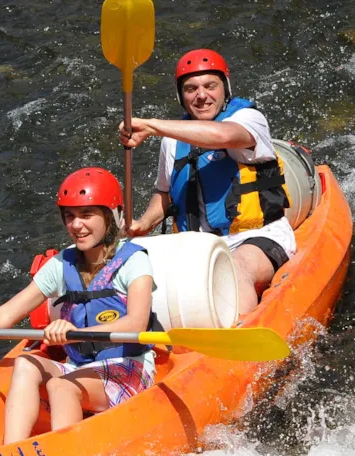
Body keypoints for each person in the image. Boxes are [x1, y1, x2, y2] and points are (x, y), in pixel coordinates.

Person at [0, 168, 157, 445]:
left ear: (111, 216)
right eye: (69, 216)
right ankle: (13, 453)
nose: (76, 225)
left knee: (61, 386)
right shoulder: (61, 264)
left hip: (126, 368)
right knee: (25, 362)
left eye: (86, 215)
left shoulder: (133, 261)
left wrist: (76, 332)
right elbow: (5, 315)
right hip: (81, 365)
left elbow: (136, 323)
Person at [118, 49, 293, 314]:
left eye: (210, 86)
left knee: (231, 270)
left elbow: (222, 136)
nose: (201, 96)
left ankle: (236, 341)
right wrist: (143, 223)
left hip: (255, 236)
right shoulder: (172, 139)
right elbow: (165, 193)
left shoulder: (249, 119)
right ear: (181, 95)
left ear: (225, 88)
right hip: (196, 246)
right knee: (127, 270)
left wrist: (153, 126)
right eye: (191, 89)